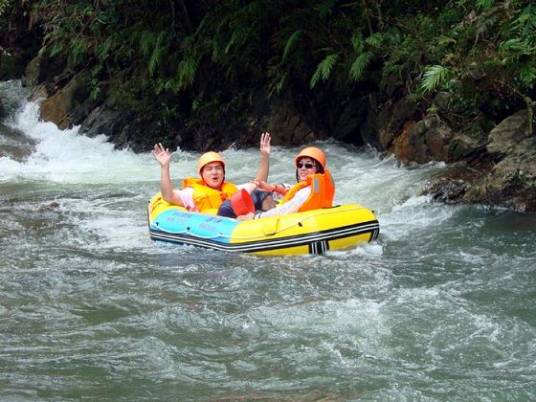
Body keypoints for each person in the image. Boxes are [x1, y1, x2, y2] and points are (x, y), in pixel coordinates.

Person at [152, 132, 271, 214]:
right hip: (212, 228)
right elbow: (168, 196)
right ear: (202, 174)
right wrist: (165, 167)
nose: (214, 172)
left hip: (239, 227)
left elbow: (259, 184)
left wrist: (265, 156)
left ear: (223, 173)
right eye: (209, 169)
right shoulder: (191, 193)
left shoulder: (234, 189)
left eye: (218, 168)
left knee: (262, 194)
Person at [238, 146, 335, 220]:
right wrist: (273, 188)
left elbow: (284, 211)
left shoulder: (305, 192)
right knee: (262, 194)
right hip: (309, 217)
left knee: (259, 197)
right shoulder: (313, 187)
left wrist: (255, 217)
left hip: (295, 224)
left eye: (308, 165)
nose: (303, 168)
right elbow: (291, 192)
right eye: (300, 165)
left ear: (318, 169)